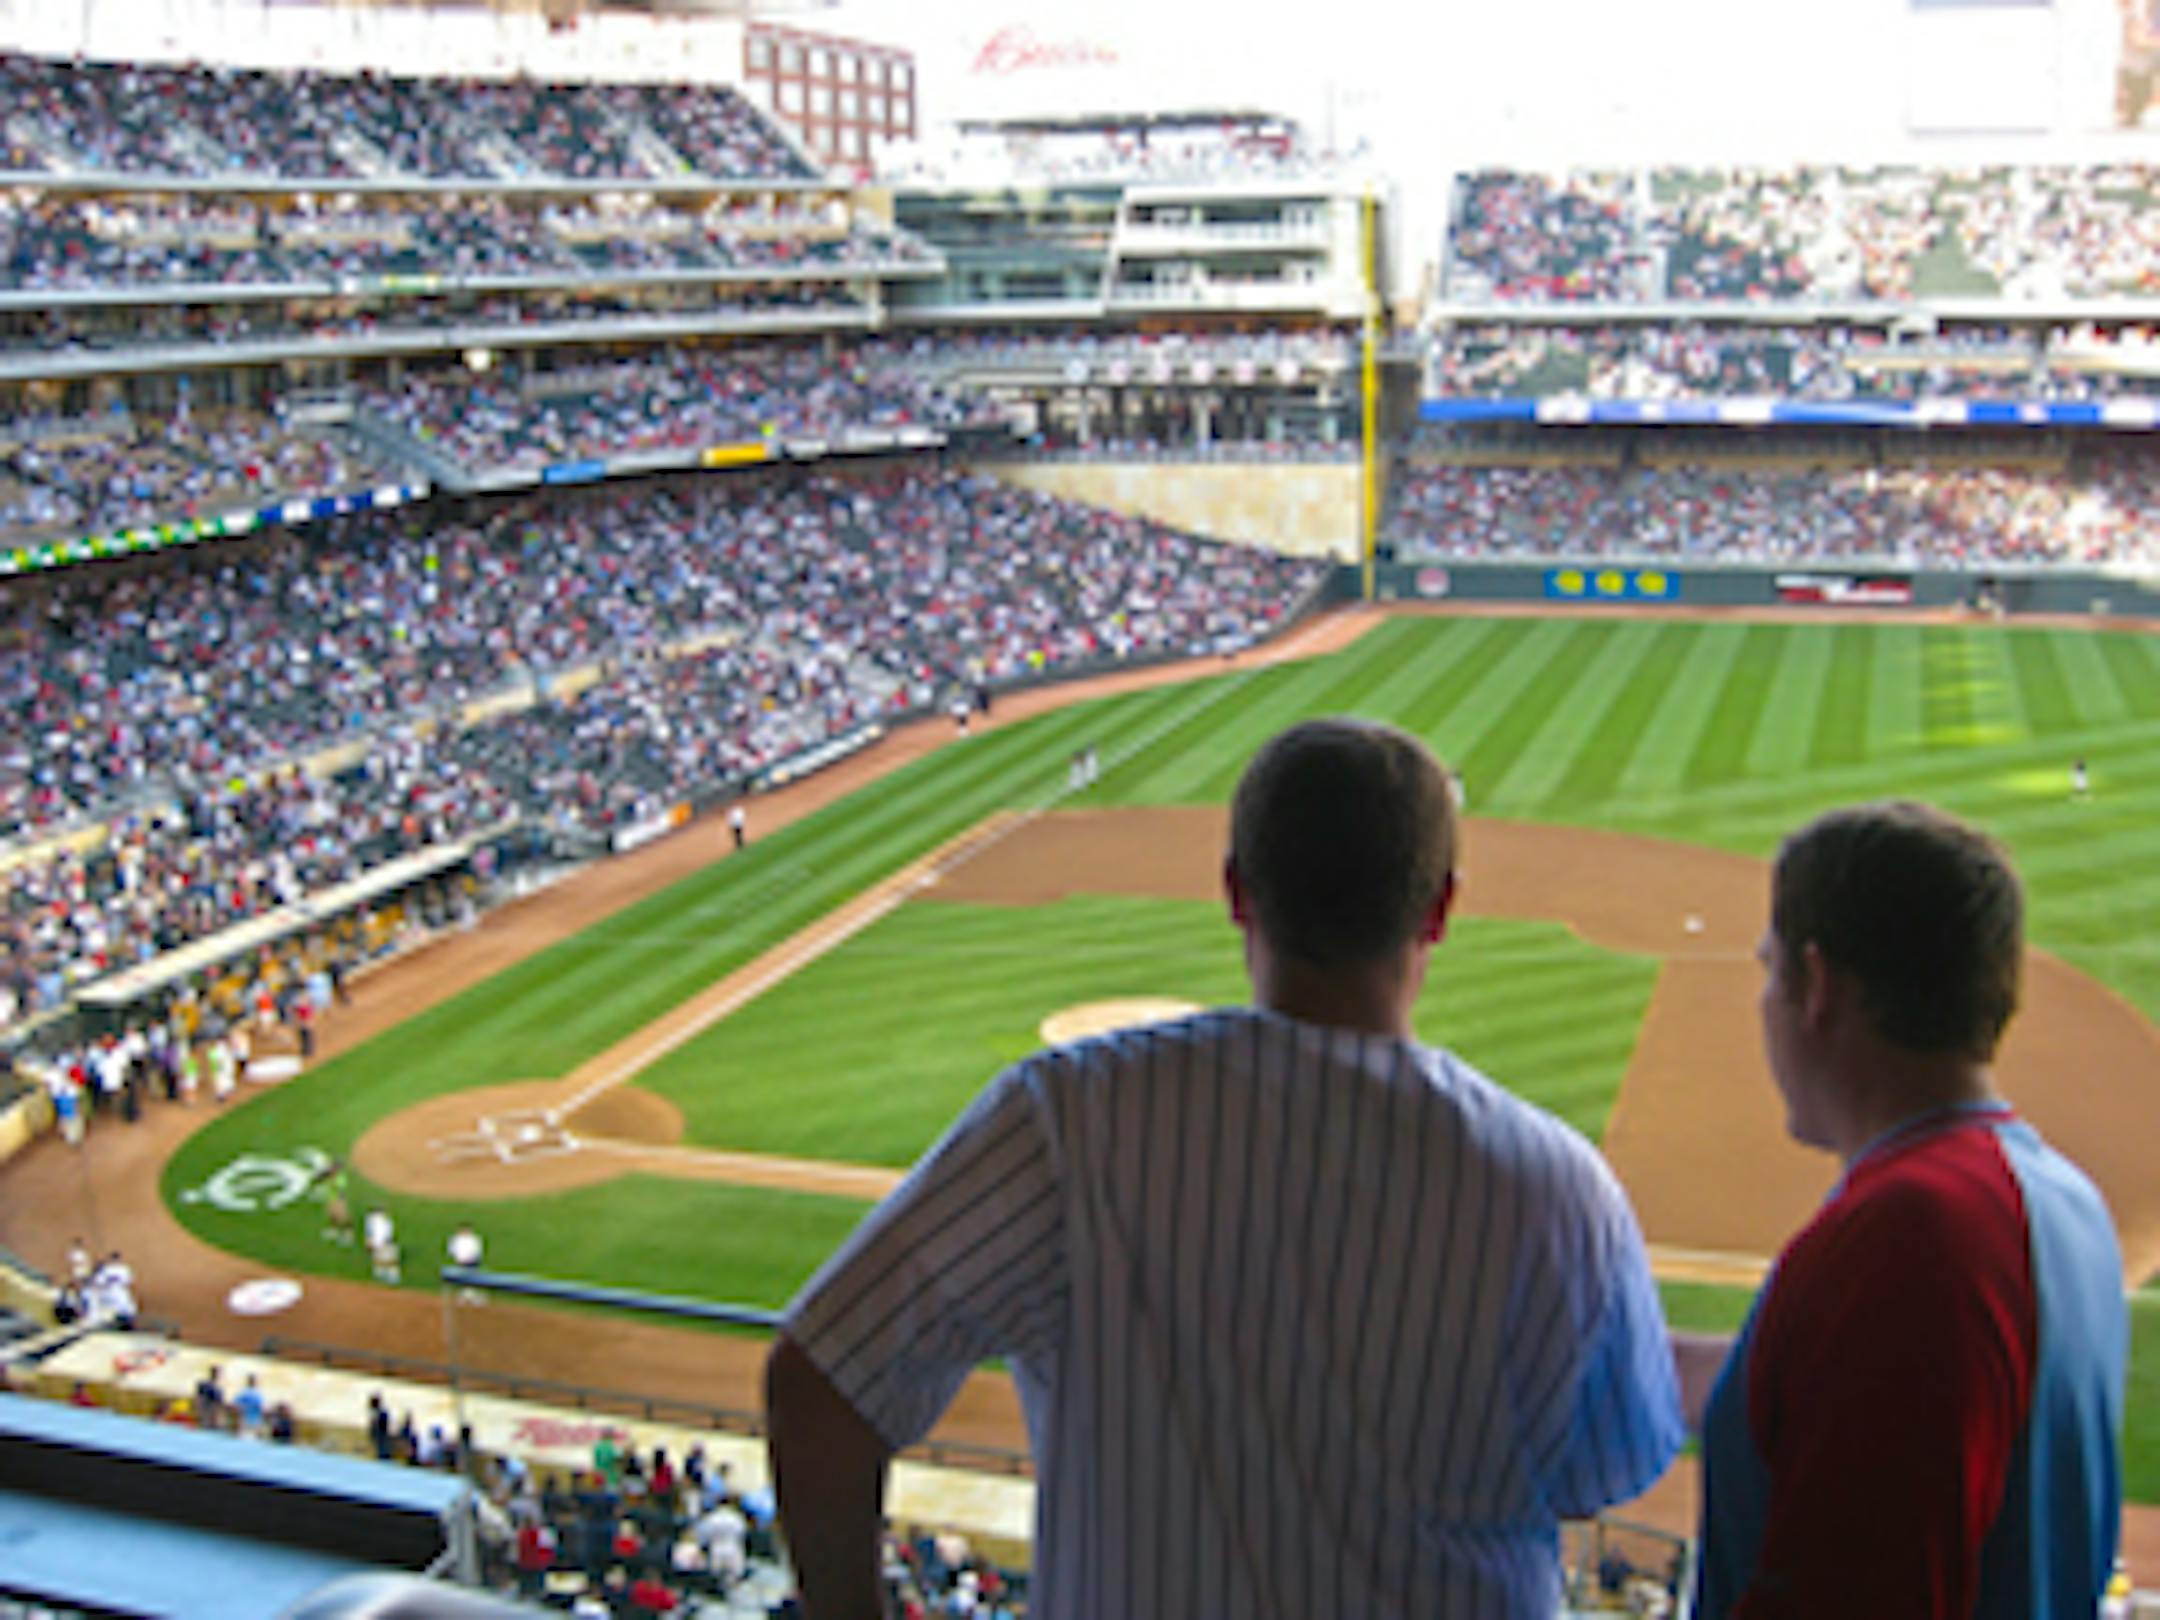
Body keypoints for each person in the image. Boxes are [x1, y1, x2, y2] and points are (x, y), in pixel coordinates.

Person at [768, 718, 1682, 1619]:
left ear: (1237, 893)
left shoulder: (1068, 1119)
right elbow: (1597, 1478)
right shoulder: (1562, 1189)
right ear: (1439, 908)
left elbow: (818, 1380)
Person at [1679, 802, 2127, 1619]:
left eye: (1769, 969)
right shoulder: (2064, 1205)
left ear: (1816, 986)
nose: (1763, 1003)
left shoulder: (1909, 1235)